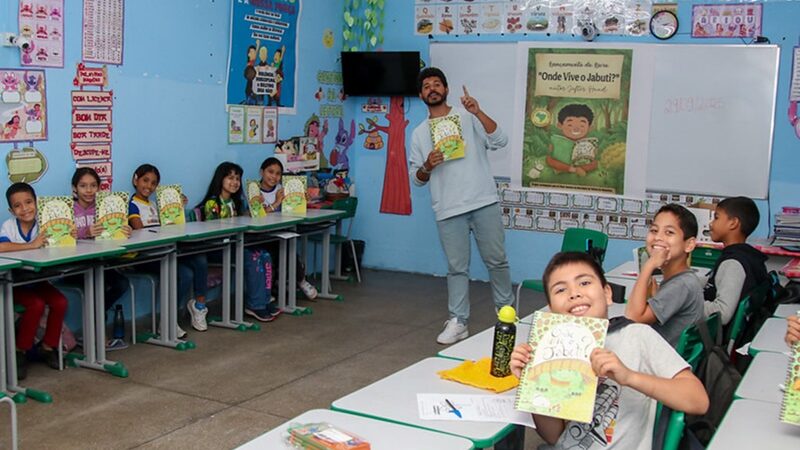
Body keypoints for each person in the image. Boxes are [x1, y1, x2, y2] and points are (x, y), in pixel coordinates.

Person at [510, 252, 709, 449]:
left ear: (607, 294)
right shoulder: (554, 351)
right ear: (551, 309)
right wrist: (533, 385)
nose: (574, 293)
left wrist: (629, 377)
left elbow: (698, 400)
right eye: (560, 289)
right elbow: (554, 436)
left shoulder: (636, 336)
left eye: (585, 283)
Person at [409, 67, 513, 344]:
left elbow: (500, 140)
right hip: (447, 208)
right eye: (427, 86)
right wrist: (427, 166)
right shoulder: (419, 134)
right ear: (421, 95)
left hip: (483, 200)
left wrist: (478, 111)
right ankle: (458, 320)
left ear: (446, 89)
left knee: (497, 261)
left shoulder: (468, 117)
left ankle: (507, 312)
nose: (432, 89)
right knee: (457, 269)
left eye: (437, 84)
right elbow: (417, 180)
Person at [128, 164, 209, 336]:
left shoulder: (155, 205)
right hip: (146, 256)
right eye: (145, 180)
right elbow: (140, 230)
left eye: (153, 183)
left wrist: (175, 209)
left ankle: (199, 306)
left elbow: (168, 227)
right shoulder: (132, 205)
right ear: (135, 180)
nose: (149, 186)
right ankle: (167, 320)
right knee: (185, 274)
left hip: (164, 251)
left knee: (200, 259)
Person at [196, 162, 280, 322]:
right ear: (220, 179)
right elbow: (213, 232)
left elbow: (246, 218)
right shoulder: (212, 204)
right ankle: (255, 305)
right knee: (253, 258)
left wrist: (258, 206)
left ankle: (264, 300)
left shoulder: (235, 203)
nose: (234, 182)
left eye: (237, 178)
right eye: (230, 178)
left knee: (265, 255)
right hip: (218, 249)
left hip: (234, 245)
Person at [0, 183, 69, 377]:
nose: (25, 208)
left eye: (29, 202)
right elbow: (2, 248)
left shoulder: (45, 222)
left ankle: (47, 347)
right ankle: (20, 351)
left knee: (60, 302)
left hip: (38, 279)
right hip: (14, 283)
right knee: (35, 305)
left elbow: (58, 241)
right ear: (11, 210)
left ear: (36, 202)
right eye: (18, 205)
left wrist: (66, 236)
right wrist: (32, 245)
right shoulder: (9, 226)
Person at [625, 204, 704, 347]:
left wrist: (649, 266)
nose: (658, 237)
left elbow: (633, 317)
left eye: (669, 233)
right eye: (654, 230)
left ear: (689, 245)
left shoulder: (681, 285)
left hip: (659, 364)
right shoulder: (682, 279)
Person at [70, 167, 132, 350]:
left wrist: (126, 230)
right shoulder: (67, 209)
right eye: (83, 186)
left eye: (93, 186)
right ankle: (97, 333)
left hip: (100, 263)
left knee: (121, 284)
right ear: (75, 188)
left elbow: (113, 233)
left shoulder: (106, 207)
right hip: (75, 266)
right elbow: (56, 237)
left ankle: (95, 324)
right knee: (95, 288)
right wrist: (85, 232)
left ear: (99, 187)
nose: (88, 190)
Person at [258, 157, 318, 301]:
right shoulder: (253, 189)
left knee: (289, 249)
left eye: (278, 174)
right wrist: (277, 202)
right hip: (260, 235)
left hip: (279, 231)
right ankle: (270, 291)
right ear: (261, 172)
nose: (274, 176)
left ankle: (301, 280)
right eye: (270, 172)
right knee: (273, 252)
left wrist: (302, 200)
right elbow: (256, 212)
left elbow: (293, 209)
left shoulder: (282, 188)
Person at [703, 197, 768, 326]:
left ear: (733, 223)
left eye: (716, 217)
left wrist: (686, 302)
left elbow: (722, 314)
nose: (711, 223)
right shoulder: (745, 255)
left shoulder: (733, 264)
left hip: (709, 338)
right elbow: (715, 280)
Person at [546, 104, 599, 176]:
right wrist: (571, 169)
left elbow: (594, 163)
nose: (576, 128)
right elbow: (549, 160)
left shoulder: (591, 144)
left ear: (590, 128)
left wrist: (583, 168)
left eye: (582, 125)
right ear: (559, 125)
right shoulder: (555, 141)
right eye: (570, 125)